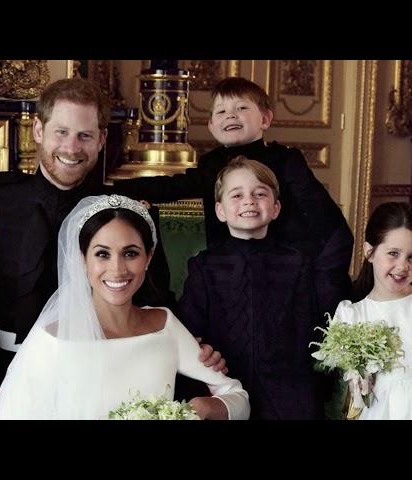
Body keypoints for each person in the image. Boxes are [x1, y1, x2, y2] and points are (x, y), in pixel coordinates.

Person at [0, 78, 225, 420]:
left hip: (114, 374)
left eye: (85, 135)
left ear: (101, 139)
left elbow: (157, 298)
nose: (72, 148)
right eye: (61, 132)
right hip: (15, 370)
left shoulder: (125, 210)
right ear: (38, 130)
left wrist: (195, 346)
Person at [113, 76, 353, 322]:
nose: (231, 115)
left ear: (265, 119)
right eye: (222, 111)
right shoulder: (212, 164)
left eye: (241, 108)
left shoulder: (285, 160)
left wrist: (323, 280)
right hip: (231, 273)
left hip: (286, 271)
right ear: (211, 125)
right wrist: (115, 189)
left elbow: (328, 223)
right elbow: (173, 186)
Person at [0, 194, 250, 419]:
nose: (117, 269)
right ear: (82, 259)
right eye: (102, 254)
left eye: (131, 253)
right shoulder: (53, 340)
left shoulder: (164, 325)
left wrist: (206, 407)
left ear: (148, 258)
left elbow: (238, 398)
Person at [178, 156, 326, 419]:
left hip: (287, 390)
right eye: (236, 195)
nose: (249, 201)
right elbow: (191, 333)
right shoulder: (205, 266)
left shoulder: (297, 263)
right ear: (220, 210)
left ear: (276, 207)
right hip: (225, 388)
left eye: (260, 193)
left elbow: (307, 330)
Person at [333, 202, 412, 419]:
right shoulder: (352, 315)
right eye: (393, 253)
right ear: (370, 252)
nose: (403, 266)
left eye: (411, 257)